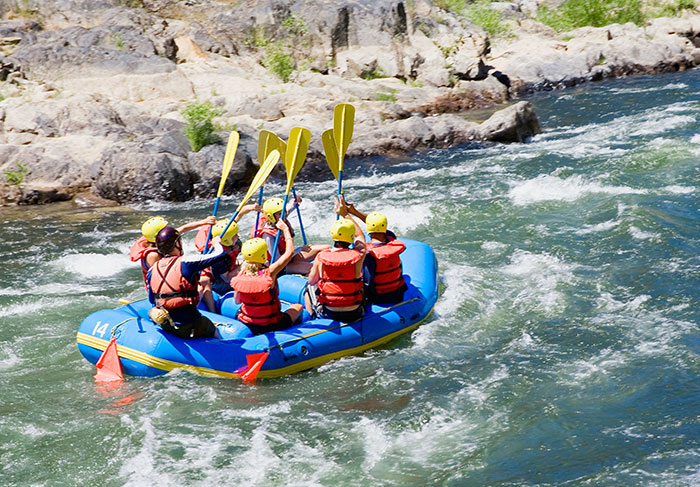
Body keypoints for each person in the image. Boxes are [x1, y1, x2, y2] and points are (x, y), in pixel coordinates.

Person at [147, 226, 228, 339]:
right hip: (190, 325)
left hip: (167, 325)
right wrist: (216, 243)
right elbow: (220, 254)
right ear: (177, 244)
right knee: (212, 328)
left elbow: (152, 300)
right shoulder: (186, 262)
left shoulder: (152, 270)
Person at [230, 221, 303, 335]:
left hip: (247, 323)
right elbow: (289, 252)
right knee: (298, 307)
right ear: (264, 255)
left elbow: (237, 301)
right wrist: (285, 230)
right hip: (271, 325)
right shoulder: (270, 272)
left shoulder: (239, 275)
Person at [337, 196, 407, 304]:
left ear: (368, 230)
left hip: (377, 298)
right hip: (397, 294)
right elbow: (375, 226)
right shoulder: (391, 238)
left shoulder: (368, 253)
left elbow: (367, 282)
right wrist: (353, 211)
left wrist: (345, 215)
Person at [305, 213, 367, 322]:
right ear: (351, 236)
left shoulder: (321, 256)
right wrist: (345, 213)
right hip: (354, 312)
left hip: (329, 312)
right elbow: (360, 236)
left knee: (309, 286)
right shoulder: (358, 256)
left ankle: (311, 316)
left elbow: (312, 280)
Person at [130, 215, 216, 287]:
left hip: (171, 281)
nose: (168, 230)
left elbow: (183, 228)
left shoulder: (164, 239)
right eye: (165, 228)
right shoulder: (153, 255)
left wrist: (203, 222)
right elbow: (161, 276)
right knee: (204, 283)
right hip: (163, 288)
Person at [250, 196, 328, 275]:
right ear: (271, 216)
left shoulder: (278, 218)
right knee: (313, 269)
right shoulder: (268, 236)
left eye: (284, 212)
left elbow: (288, 209)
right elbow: (278, 260)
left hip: (290, 256)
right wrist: (300, 249)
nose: (283, 215)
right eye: (280, 213)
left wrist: (295, 202)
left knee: (326, 248)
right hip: (280, 266)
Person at [199, 218, 243, 313]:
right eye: (235, 235)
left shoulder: (235, 243)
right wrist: (242, 267)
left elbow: (237, 217)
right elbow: (227, 278)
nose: (238, 236)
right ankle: (213, 311)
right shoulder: (218, 257)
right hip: (216, 282)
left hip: (226, 271)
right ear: (227, 240)